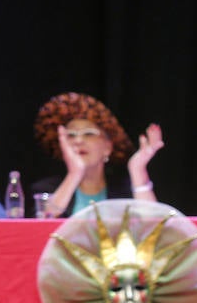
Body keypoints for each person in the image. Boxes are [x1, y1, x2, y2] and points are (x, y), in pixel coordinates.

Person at [31, 91, 163, 217]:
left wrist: (137, 169)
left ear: (108, 147)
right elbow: (41, 225)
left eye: (88, 134)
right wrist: (74, 173)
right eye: (70, 135)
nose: (78, 141)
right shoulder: (46, 189)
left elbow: (153, 229)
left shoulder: (125, 191)